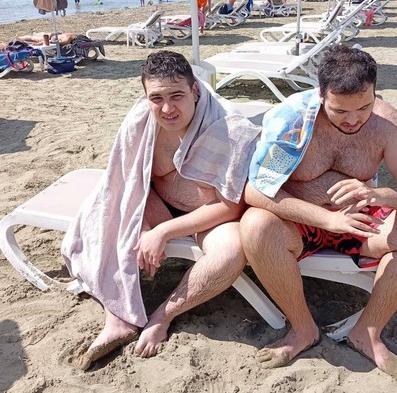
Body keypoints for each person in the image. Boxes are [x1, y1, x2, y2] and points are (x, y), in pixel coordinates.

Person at [240, 46, 397, 384]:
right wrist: (327, 219)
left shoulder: (384, 124)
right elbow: (256, 191)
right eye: (340, 110)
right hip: (302, 222)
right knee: (255, 225)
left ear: (374, 93)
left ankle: (368, 332)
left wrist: (376, 194)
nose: (353, 119)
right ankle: (302, 329)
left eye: (364, 107)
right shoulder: (293, 122)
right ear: (321, 95)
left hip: (360, 221)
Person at [62, 51, 260, 370]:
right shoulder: (141, 119)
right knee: (110, 214)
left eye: (176, 96)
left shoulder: (229, 127)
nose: (167, 109)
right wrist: (142, 225)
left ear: (194, 90)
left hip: (208, 214)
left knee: (232, 250)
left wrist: (164, 231)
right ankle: (117, 319)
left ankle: (162, 316)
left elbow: (230, 206)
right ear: (146, 97)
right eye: (156, 98)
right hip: (155, 201)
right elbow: (124, 179)